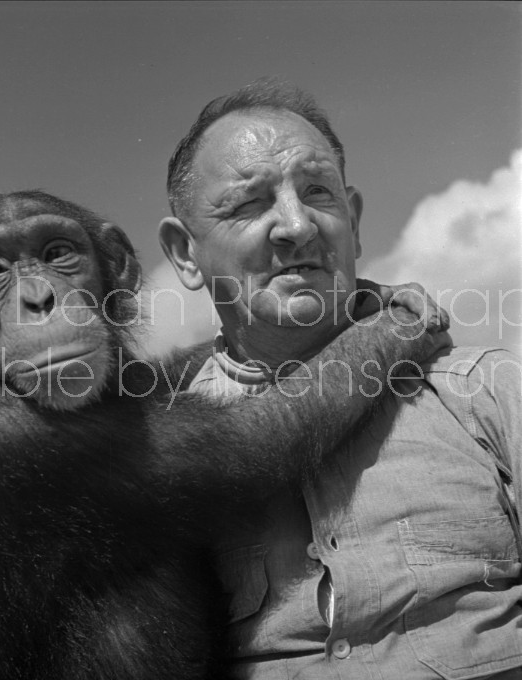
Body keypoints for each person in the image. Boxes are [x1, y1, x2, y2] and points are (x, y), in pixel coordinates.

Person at [158, 79, 522, 679]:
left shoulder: (488, 392)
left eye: (318, 192)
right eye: (249, 204)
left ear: (352, 221)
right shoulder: (163, 450)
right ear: (185, 254)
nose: (297, 226)